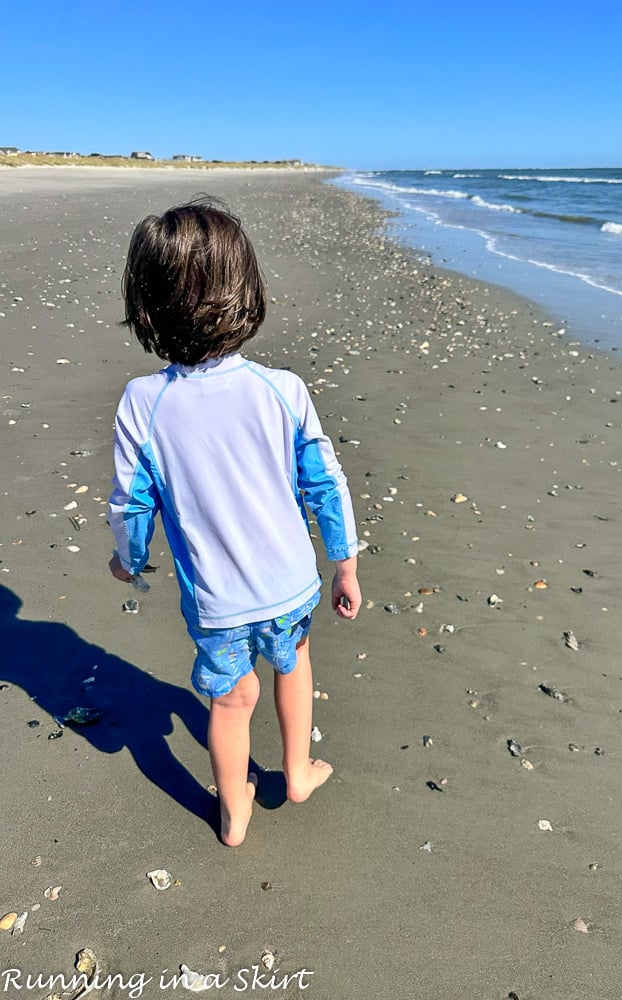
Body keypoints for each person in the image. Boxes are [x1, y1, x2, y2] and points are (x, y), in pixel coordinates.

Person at [108, 196, 361, 846]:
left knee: (230, 700)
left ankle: (234, 813)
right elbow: (322, 479)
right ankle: (297, 770)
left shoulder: (146, 402)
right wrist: (345, 561)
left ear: (147, 307)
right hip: (291, 585)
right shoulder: (282, 388)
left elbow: (133, 502)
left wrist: (129, 560)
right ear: (247, 293)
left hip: (217, 604)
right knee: (293, 662)